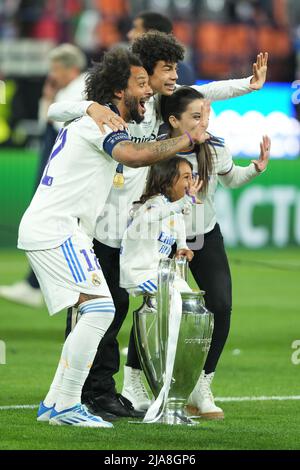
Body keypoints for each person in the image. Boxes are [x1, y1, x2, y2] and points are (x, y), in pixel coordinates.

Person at [48, 32, 268, 418]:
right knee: (101, 309)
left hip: (129, 227)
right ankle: (80, 392)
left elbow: (204, 91)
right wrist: (89, 110)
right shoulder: (117, 102)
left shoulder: (158, 100)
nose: (174, 77)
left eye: (175, 68)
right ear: (143, 73)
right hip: (99, 222)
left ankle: (100, 392)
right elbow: (55, 109)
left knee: (115, 308)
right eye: (167, 69)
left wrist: (246, 86)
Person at [17, 47, 209, 428]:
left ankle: (57, 401)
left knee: (96, 309)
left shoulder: (97, 119)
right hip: (58, 227)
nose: (147, 92)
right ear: (119, 92)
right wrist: (184, 141)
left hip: (64, 229)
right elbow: (133, 156)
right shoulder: (102, 124)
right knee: (101, 309)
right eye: (140, 84)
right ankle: (68, 404)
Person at [132, 85, 269, 419]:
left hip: (205, 236)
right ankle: (134, 381)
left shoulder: (216, 147)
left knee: (221, 305)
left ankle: (202, 385)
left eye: (206, 115)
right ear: (174, 121)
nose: (204, 121)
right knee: (153, 309)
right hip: (162, 238)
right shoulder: (154, 151)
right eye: (196, 116)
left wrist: (256, 168)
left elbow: (232, 178)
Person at [0, 44, 88, 308]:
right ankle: (35, 283)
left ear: (71, 68)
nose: (52, 74)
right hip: (57, 160)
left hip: (67, 169)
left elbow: (63, 129)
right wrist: (48, 98)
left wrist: (50, 102)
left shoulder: (79, 89)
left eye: (56, 69)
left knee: (55, 225)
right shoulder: (66, 89)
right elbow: (47, 124)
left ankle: (44, 285)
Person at [119, 156, 203, 295]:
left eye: (191, 177)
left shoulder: (173, 207)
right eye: (186, 177)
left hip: (159, 274)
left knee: (190, 299)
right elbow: (151, 216)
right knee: (174, 297)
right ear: (168, 182)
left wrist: (182, 245)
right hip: (140, 274)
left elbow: (178, 222)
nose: (191, 183)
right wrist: (184, 202)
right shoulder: (154, 203)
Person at [127, 11, 196, 86]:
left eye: (136, 29)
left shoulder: (183, 73)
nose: (129, 35)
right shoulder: (127, 67)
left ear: (151, 34)